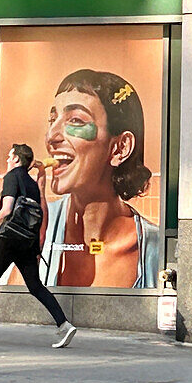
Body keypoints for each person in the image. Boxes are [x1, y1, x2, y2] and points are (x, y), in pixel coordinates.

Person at [36, 69, 159, 288]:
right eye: (52, 119)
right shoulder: (37, 223)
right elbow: (8, 312)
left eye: (75, 120)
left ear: (120, 148)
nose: (51, 137)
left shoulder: (155, 249)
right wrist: (30, 247)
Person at [0, 144, 77, 347]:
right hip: (27, 242)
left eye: (9, 156)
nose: (7, 160)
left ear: (16, 159)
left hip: (8, 240)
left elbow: (6, 210)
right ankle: (64, 325)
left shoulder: (12, 176)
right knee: (35, 286)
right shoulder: (32, 184)